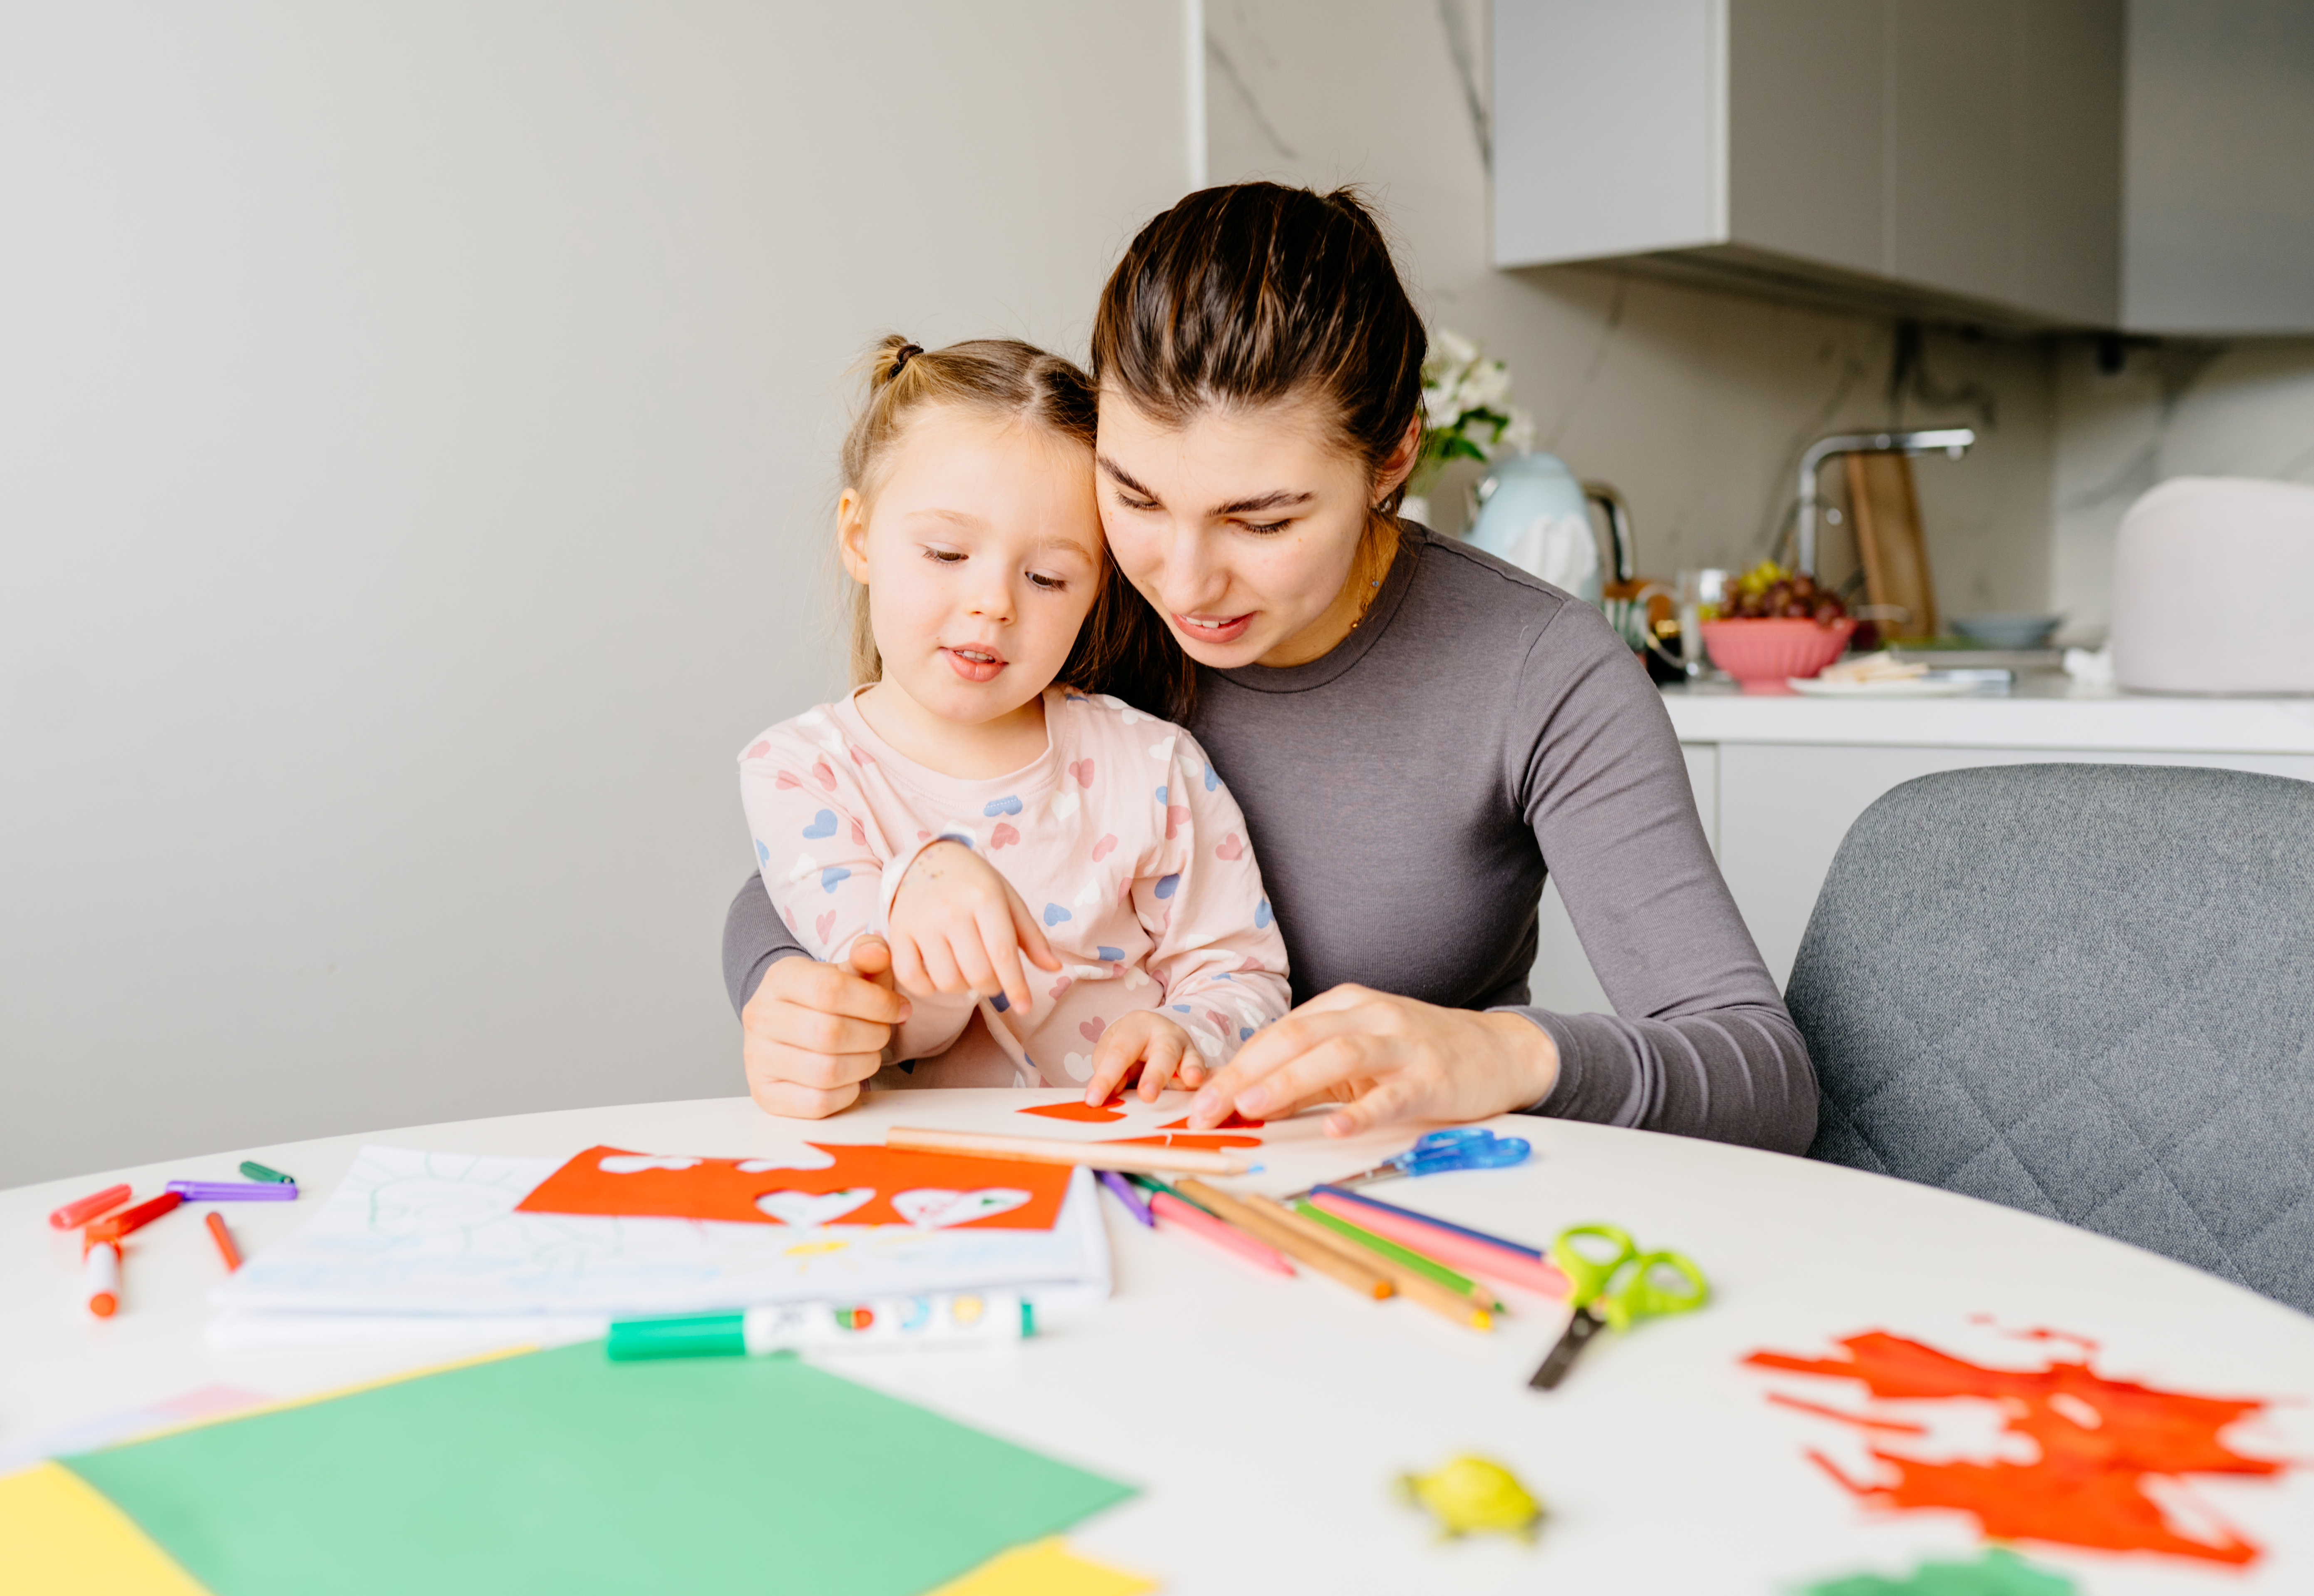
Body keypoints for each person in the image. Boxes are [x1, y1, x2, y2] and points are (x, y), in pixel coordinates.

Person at [726, 184, 1816, 1154]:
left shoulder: (1538, 675)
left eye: (1263, 518)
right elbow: (826, 847)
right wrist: (784, 988)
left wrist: (1504, 1055)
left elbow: (1763, 1078)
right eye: (1137, 495)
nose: (1186, 580)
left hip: (1393, 1217)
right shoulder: (1075, 590)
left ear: (1391, 459)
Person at [737, 336, 1290, 1108]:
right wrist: (914, 885)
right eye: (945, 553)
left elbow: (1243, 971)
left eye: (1046, 577)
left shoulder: (1152, 764)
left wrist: (1187, 1030)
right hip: (930, 1178)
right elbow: (891, 1022)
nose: (994, 603)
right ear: (859, 536)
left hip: (1128, 1156)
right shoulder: (798, 771)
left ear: (1099, 586)